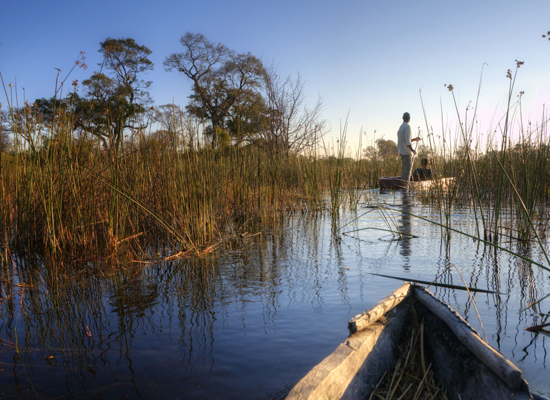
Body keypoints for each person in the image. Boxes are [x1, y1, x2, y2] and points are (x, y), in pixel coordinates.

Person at [397, 112, 421, 181]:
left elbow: (405, 140)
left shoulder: (401, 127)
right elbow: (407, 143)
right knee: (407, 171)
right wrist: (412, 150)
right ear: (409, 119)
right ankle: (405, 187)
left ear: (402, 118)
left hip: (401, 152)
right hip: (406, 152)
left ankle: (403, 185)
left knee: (404, 170)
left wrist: (414, 139)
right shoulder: (407, 127)